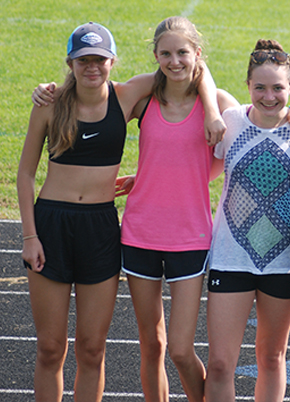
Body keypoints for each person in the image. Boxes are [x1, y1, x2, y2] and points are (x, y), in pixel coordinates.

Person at [20, 22, 224, 402]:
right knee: (50, 348)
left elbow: (193, 66)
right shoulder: (51, 104)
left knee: (92, 349)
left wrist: (211, 109)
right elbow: (26, 173)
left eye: (99, 59)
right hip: (51, 225)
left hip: (100, 227)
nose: (91, 66)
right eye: (83, 59)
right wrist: (29, 236)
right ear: (71, 61)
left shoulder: (127, 95)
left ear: (113, 61)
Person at [114, 16, 223, 402]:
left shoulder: (219, 104)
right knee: (151, 345)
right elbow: (94, 94)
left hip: (190, 237)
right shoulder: (144, 98)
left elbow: (264, 115)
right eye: (165, 53)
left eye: (182, 52)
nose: (174, 61)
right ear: (156, 55)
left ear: (198, 54)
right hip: (140, 232)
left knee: (180, 348)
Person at [204, 39, 290, 402]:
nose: (270, 96)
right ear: (247, 86)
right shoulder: (230, 120)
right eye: (260, 87)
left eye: (279, 88)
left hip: (285, 262)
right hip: (230, 258)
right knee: (220, 363)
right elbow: (198, 75)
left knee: (271, 357)